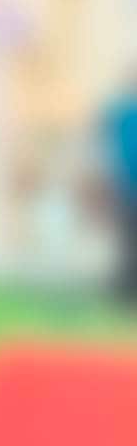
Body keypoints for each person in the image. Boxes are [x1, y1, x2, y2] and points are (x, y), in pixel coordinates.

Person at [101, 72, 137, 302]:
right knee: (128, 240)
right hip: (126, 188)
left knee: (128, 240)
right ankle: (126, 287)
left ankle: (126, 286)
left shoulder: (121, 114)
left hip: (124, 188)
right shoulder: (124, 114)